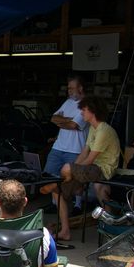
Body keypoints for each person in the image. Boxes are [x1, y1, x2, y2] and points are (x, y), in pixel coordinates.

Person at [40, 96, 121, 242]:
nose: (81, 113)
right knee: (56, 191)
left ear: (93, 111)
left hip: (103, 170)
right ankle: (65, 231)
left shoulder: (104, 130)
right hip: (90, 169)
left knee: (66, 169)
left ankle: (63, 182)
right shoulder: (93, 128)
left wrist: (72, 171)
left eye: (84, 110)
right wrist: (73, 169)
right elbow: (84, 152)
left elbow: (90, 159)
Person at [44, 75, 89, 214]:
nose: (68, 91)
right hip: (58, 146)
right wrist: (67, 121)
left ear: (80, 88)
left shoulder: (87, 104)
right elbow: (53, 118)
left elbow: (74, 125)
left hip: (76, 148)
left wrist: (64, 121)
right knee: (49, 175)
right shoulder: (68, 102)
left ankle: (78, 205)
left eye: (71, 88)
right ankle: (54, 203)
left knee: (75, 179)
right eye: (68, 88)